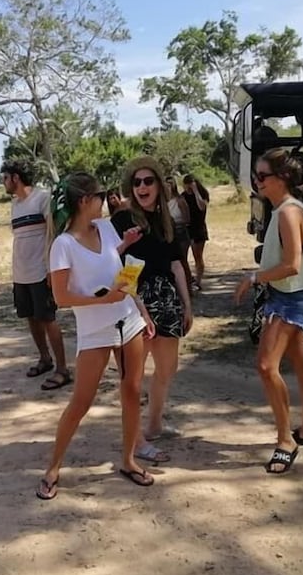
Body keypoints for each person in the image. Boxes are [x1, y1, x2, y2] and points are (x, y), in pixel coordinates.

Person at [36, 172, 156, 500]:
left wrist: (142, 310)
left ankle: (129, 460)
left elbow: (119, 274)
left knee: (132, 391)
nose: (106, 201)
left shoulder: (105, 227)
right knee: (81, 401)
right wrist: (102, 300)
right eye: (101, 196)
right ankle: (53, 468)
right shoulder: (63, 245)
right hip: (95, 330)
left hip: (128, 320)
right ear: (84, 201)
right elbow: (61, 298)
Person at [234, 148, 303, 475]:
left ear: (282, 178)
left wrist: (253, 278)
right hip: (295, 296)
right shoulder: (289, 208)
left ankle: (286, 440)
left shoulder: (287, 212)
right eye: (255, 176)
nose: (257, 182)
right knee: (300, 361)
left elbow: (292, 264)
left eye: (262, 176)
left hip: (288, 299)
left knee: (265, 365)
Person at [113, 158, 193, 460]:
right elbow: (115, 264)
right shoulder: (123, 220)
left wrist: (187, 305)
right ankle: (136, 441)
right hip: (136, 297)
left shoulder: (165, 220)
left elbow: (176, 264)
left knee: (167, 368)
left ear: (159, 184)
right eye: (137, 182)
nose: (142, 187)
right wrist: (138, 305)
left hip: (167, 298)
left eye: (148, 181)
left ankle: (155, 424)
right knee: (132, 377)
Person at [0, 159, 72, 390]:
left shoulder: (42, 198)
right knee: (30, 317)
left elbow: (53, 233)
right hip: (21, 273)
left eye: (5, 178)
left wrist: (51, 268)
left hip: (41, 271)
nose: (3, 182)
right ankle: (44, 358)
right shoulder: (15, 204)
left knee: (48, 319)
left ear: (16, 178)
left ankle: (62, 368)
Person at [165, 175, 195, 292]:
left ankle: (188, 287)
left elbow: (187, 218)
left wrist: (175, 221)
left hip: (180, 231)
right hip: (169, 232)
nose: (168, 187)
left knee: (182, 261)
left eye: (170, 184)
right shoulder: (163, 202)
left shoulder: (179, 200)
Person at [182, 174, 209, 291]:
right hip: (187, 228)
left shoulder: (202, 194)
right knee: (183, 257)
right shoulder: (183, 196)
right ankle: (189, 279)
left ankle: (198, 281)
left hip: (199, 228)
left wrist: (196, 191)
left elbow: (202, 207)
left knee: (197, 256)